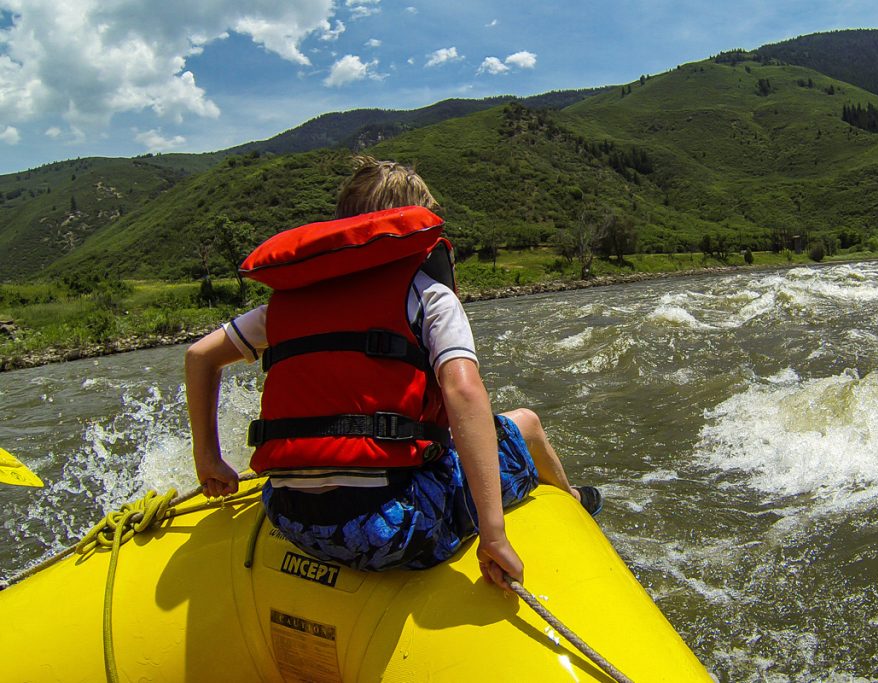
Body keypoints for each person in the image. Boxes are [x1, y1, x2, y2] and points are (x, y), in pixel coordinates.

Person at [185, 156, 601, 593]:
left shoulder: (283, 308)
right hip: (392, 531)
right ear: (416, 231)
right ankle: (571, 501)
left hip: (291, 520)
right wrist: (493, 536)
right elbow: (463, 392)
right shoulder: (430, 297)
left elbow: (199, 357)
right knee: (527, 424)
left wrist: (208, 460)